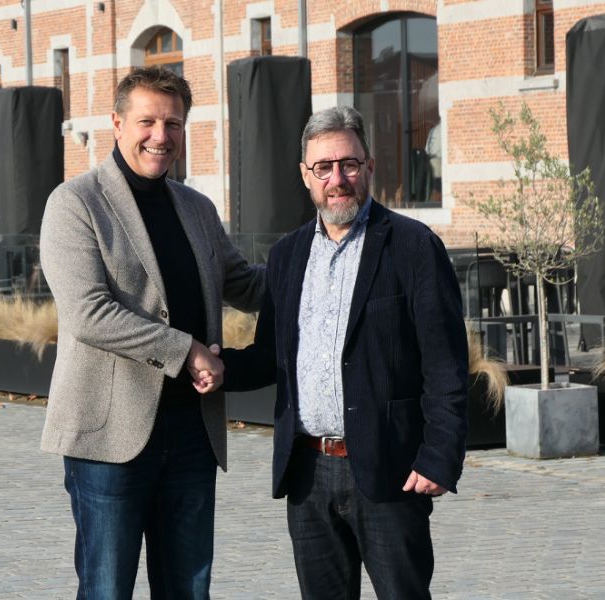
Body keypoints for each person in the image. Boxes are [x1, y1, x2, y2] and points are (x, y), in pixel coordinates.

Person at [221, 106, 469, 600]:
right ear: (305, 175)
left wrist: (440, 456)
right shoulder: (287, 255)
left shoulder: (413, 246)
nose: (337, 179)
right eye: (324, 167)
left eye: (349, 164)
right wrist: (207, 363)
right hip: (307, 474)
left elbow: (446, 365)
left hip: (390, 471)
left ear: (369, 166)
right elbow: (270, 355)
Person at [39, 66, 264, 599]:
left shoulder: (197, 208)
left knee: (188, 590)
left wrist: (321, 257)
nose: (161, 136)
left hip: (191, 433)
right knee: (107, 590)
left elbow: (245, 284)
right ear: (117, 123)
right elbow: (88, 313)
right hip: (109, 438)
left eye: (173, 123)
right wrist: (185, 350)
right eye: (148, 121)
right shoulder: (75, 203)